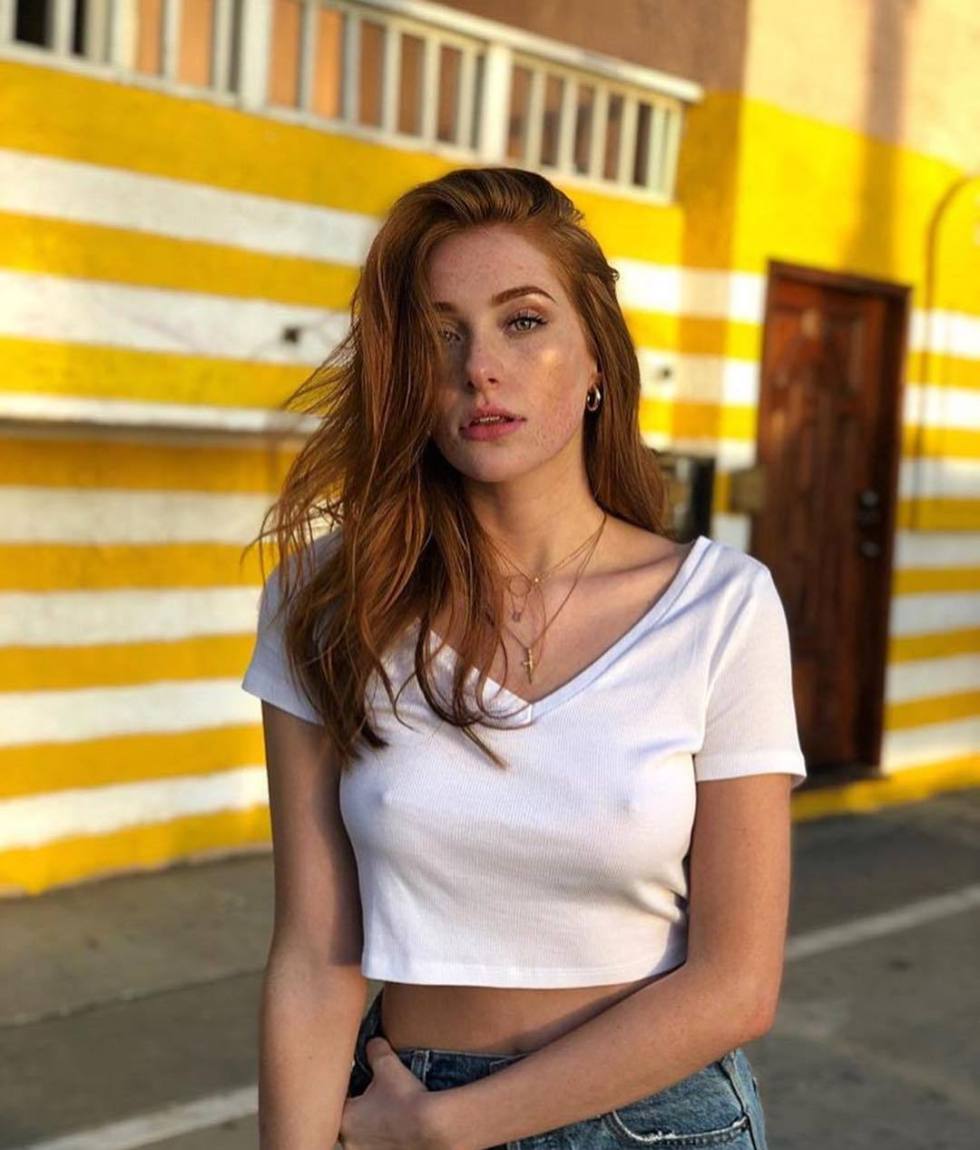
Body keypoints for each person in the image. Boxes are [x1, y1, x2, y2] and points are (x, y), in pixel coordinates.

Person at [241, 166, 806, 1150]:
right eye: (439, 332)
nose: (479, 368)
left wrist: (452, 1127)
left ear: (596, 361)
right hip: (396, 1101)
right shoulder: (328, 600)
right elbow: (312, 956)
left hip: (656, 1124)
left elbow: (736, 985)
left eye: (523, 321)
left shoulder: (719, 607)